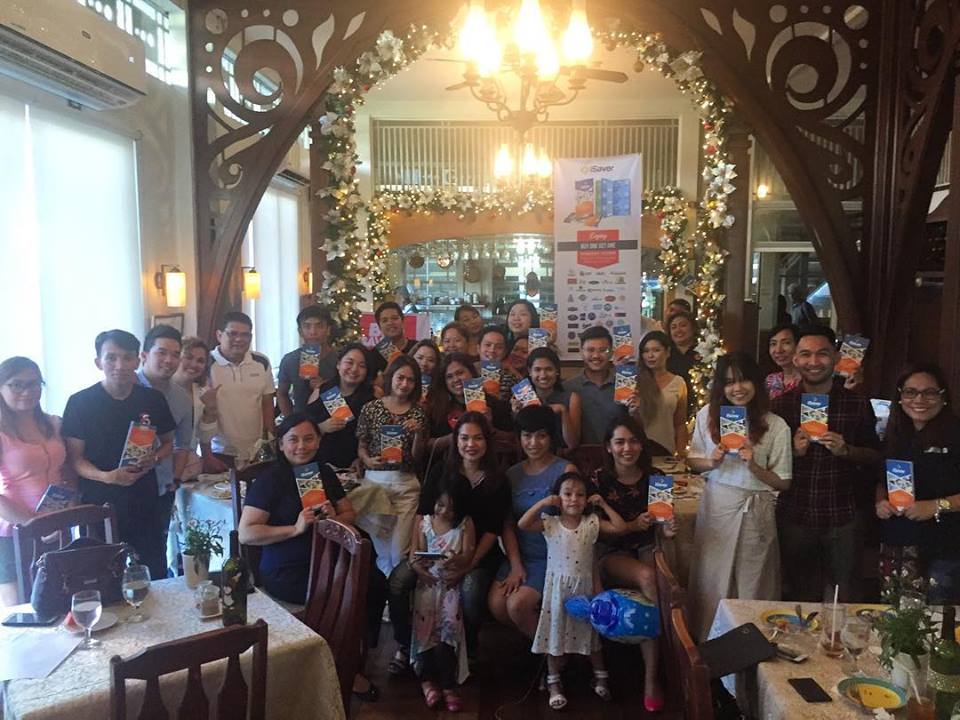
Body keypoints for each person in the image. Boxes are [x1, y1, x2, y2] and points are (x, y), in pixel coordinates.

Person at [686, 353, 792, 639]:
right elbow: (693, 460)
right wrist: (711, 461)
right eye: (729, 382)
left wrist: (754, 465)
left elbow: (783, 481)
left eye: (744, 380)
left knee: (752, 583)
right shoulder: (707, 415)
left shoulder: (775, 425)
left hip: (756, 508)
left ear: (756, 383)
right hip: (717, 505)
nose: (737, 388)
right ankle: (707, 645)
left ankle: (751, 647)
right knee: (712, 578)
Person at [771, 325, 880, 601]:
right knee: (798, 598)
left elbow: (875, 456)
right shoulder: (780, 406)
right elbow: (767, 464)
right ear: (795, 359)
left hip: (843, 516)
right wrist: (791, 452)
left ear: (836, 357)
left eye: (822, 353)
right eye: (805, 354)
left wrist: (847, 450)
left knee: (846, 597)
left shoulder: (857, 403)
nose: (813, 361)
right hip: (795, 514)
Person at [62, 330, 175, 580]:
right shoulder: (80, 402)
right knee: (102, 573)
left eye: (127, 357)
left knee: (153, 570)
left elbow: (168, 443)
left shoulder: (153, 399)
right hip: (99, 501)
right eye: (111, 358)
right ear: (98, 362)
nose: (120, 365)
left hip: (144, 496)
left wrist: (155, 458)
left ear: (138, 360)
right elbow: (75, 460)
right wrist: (107, 477)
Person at [519, 471, 625, 709]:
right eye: (567, 494)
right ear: (558, 497)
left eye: (580, 494)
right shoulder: (551, 523)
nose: (574, 499)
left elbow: (620, 527)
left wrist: (603, 505)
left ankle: (600, 676)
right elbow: (523, 524)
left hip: (584, 590)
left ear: (587, 499)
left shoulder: (591, 523)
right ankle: (554, 681)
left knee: (591, 637)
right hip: (557, 592)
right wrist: (544, 502)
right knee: (555, 636)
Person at [591, 417, 674, 712]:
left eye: (634, 441)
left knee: (668, 589)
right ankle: (654, 678)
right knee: (649, 578)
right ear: (609, 447)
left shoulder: (657, 477)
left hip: (648, 548)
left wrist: (669, 528)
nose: (627, 448)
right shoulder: (598, 480)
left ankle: (666, 667)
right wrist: (631, 525)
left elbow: (663, 527)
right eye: (620, 442)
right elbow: (594, 528)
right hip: (611, 554)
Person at [238, 413, 357, 603]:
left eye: (309, 439)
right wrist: (295, 528)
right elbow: (246, 534)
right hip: (286, 568)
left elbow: (349, 513)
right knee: (345, 595)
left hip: (327, 559)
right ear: (281, 444)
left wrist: (333, 520)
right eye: (293, 440)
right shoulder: (269, 480)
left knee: (372, 582)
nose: (302, 446)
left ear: (318, 442)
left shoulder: (324, 472)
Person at [488, 406, 576, 641]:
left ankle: (556, 653)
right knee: (498, 606)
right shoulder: (512, 474)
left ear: (551, 437)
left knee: (517, 605)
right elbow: (508, 524)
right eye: (527, 436)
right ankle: (551, 642)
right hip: (521, 555)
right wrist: (516, 565)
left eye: (541, 436)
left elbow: (574, 523)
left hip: (554, 557)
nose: (533, 443)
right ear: (519, 438)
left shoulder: (565, 470)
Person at [875, 364, 960, 604]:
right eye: (910, 392)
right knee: (896, 617)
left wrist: (936, 506)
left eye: (929, 392)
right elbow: (881, 480)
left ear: (943, 397)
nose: (919, 400)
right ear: (900, 397)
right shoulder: (895, 433)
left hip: (944, 547)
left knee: (936, 619)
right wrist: (880, 502)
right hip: (897, 543)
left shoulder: (956, 434)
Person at [0, 357, 71, 607]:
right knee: (20, 608)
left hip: (57, 523)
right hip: (15, 530)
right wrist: (33, 524)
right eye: (16, 385)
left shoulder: (53, 423)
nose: (27, 391)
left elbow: (66, 470)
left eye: (33, 384)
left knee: (60, 601)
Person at [356, 355, 428, 576]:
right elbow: (362, 446)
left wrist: (418, 433)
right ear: (391, 378)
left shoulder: (418, 412)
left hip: (405, 483)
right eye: (400, 378)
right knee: (383, 551)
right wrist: (367, 460)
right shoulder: (371, 408)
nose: (404, 384)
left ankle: (393, 590)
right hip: (376, 485)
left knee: (399, 552)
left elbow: (417, 457)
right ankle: (391, 592)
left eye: (411, 380)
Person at [410, 479, 475, 712]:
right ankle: (427, 681)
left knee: (449, 630)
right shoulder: (424, 523)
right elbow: (414, 556)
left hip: (450, 586)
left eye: (451, 508)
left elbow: (468, 553)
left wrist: (456, 559)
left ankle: (448, 684)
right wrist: (420, 569)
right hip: (427, 585)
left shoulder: (465, 524)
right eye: (440, 505)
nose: (444, 511)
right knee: (424, 631)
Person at [137, 325, 195, 577]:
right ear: (144, 355)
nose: (169, 360)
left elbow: (183, 443)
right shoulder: (127, 389)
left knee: (156, 553)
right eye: (161, 352)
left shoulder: (182, 398)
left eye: (175, 354)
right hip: (124, 486)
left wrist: (175, 479)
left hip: (161, 486)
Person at [207, 312, 275, 469]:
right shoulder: (206, 363)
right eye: (232, 333)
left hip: (257, 449)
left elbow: (267, 403)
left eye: (245, 335)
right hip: (220, 451)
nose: (239, 339)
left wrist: (269, 441)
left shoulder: (261, 362)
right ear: (219, 335)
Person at [304, 343, 375, 474]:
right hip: (318, 465)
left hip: (353, 469)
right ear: (338, 365)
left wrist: (362, 457)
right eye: (349, 362)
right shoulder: (322, 390)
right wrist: (321, 428)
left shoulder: (373, 397)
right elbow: (303, 426)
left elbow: (375, 437)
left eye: (362, 366)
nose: (354, 369)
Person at [424, 353, 513, 457]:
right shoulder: (438, 408)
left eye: (460, 373)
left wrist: (489, 427)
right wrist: (459, 435)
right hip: (448, 464)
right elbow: (427, 446)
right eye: (449, 377)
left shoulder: (494, 404)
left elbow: (513, 442)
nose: (456, 379)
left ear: (471, 372)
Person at [566, 326, 629, 446]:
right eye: (590, 350)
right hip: (582, 455)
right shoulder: (568, 388)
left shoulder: (624, 385)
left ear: (611, 352)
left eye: (603, 350)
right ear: (581, 352)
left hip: (617, 453)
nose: (596, 356)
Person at [277, 306, 338, 417]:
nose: (313, 332)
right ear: (300, 331)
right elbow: (282, 393)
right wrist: (291, 420)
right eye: (307, 326)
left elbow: (350, 399)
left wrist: (323, 388)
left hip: (335, 421)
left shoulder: (341, 359)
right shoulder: (290, 360)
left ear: (328, 329)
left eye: (319, 326)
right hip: (301, 422)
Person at [517, 347, 581, 449]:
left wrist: (563, 412)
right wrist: (517, 413)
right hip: (530, 454)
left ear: (557, 371)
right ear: (530, 371)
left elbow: (572, 444)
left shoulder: (571, 398)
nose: (543, 375)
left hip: (562, 455)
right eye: (537, 370)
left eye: (548, 369)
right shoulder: (522, 396)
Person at [636, 332, 688, 456]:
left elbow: (680, 423)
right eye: (646, 351)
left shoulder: (678, 382)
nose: (650, 355)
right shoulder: (634, 381)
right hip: (637, 450)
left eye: (656, 350)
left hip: (666, 451)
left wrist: (681, 453)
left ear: (667, 352)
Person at [665, 311, 700, 416]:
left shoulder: (703, 351)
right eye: (673, 327)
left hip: (698, 407)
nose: (678, 330)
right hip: (671, 409)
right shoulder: (665, 354)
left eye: (683, 325)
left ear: (693, 328)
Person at [370, 301, 416, 378]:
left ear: (402, 321)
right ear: (379, 327)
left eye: (394, 318)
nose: (390, 323)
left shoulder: (417, 348)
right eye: (385, 320)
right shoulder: (373, 355)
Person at [476, 325, 520, 401]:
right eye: (488, 345)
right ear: (478, 348)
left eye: (499, 347)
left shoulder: (511, 376)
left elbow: (530, 403)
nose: (492, 350)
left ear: (505, 352)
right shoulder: (468, 372)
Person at [765, 323, 802, 400]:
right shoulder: (770, 380)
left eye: (786, 343)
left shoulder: (807, 380)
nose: (778, 350)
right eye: (773, 344)